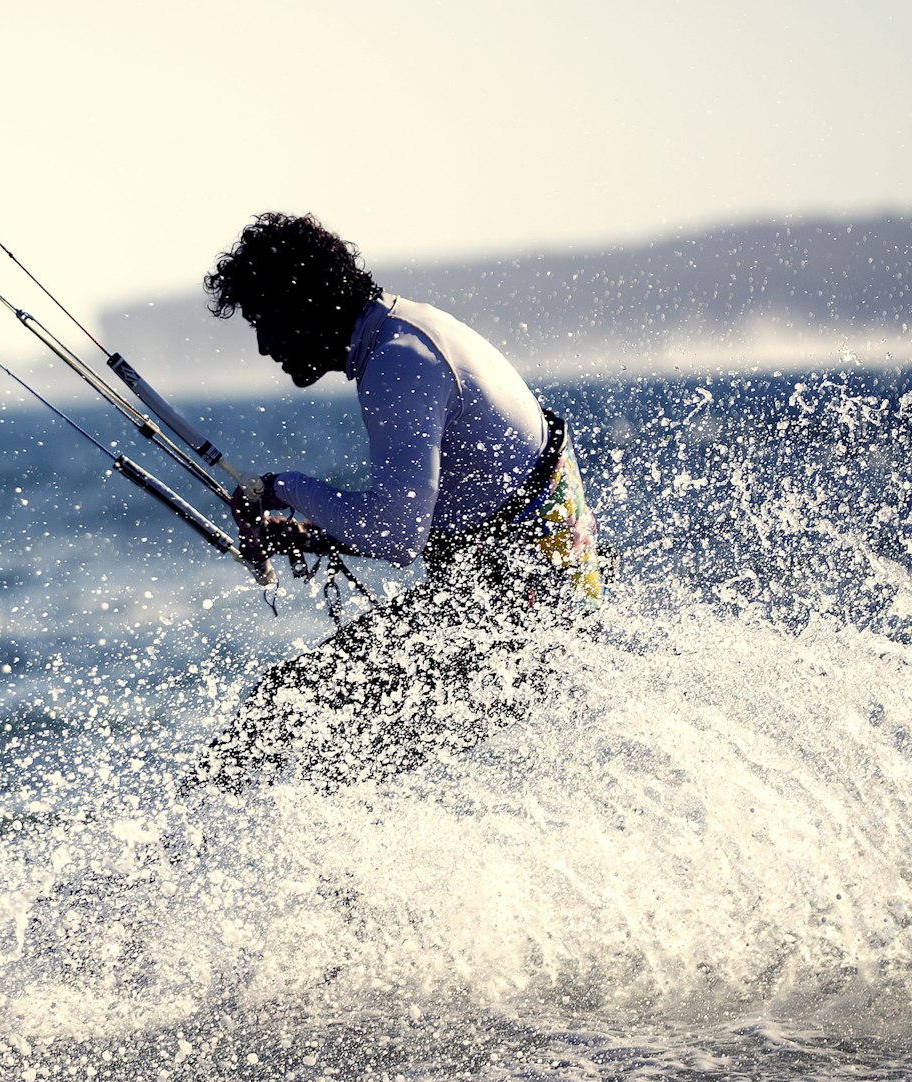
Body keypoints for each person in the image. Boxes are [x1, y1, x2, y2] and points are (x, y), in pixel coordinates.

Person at [186, 213, 605, 791]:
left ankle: (175, 865)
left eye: (265, 321)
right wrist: (316, 534)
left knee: (282, 712)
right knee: (331, 755)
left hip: (522, 623)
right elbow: (455, 508)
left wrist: (279, 487)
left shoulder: (400, 361)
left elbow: (395, 537)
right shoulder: (409, 330)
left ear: (304, 303)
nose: (263, 346)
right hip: (532, 610)